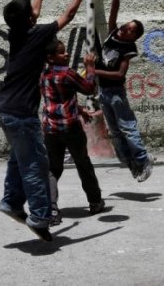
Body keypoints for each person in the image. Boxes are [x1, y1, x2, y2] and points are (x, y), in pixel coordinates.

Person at [0, 0, 92, 242]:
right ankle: (39, 216)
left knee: (19, 159)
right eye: (32, 13)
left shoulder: (16, 33)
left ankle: (11, 202)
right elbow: (68, 16)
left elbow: (34, 12)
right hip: (21, 114)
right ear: (30, 20)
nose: (35, 14)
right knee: (36, 165)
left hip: (4, 107)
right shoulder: (38, 35)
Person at [95, 0, 153, 182]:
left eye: (129, 30)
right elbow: (114, 9)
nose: (124, 29)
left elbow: (119, 74)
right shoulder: (112, 33)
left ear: (133, 36)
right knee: (115, 132)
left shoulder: (128, 49)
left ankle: (143, 159)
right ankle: (131, 164)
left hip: (115, 93)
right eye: (126, 26)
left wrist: (96, 71)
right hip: (103, 92)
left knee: (128, 128)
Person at [40, 39, 105, 225]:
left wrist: (79, 109)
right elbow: (89, 88)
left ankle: (51, 208)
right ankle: (95, 202)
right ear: (51, 58)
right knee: (83, 163)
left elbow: (60, 98)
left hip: (51, 128)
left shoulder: (44, 74)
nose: (66, 54)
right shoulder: (67, 73)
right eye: (62, 53)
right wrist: (90, 67)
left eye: (66, 51)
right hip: (70, 128)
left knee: (53, 168)